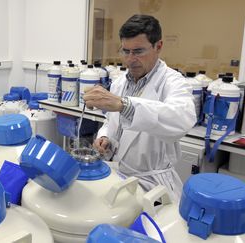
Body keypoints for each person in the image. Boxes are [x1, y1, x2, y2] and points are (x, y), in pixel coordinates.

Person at [83, 14, 196, 201]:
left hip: (152, 186)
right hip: (117, 177)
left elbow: (181, 121)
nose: (130, 59)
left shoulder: (173, 82)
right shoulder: (120, 82)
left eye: (138, 51)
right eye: (125, 51)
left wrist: (124, 105)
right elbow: (110, 120)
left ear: (158, 46)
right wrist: (105, 137)